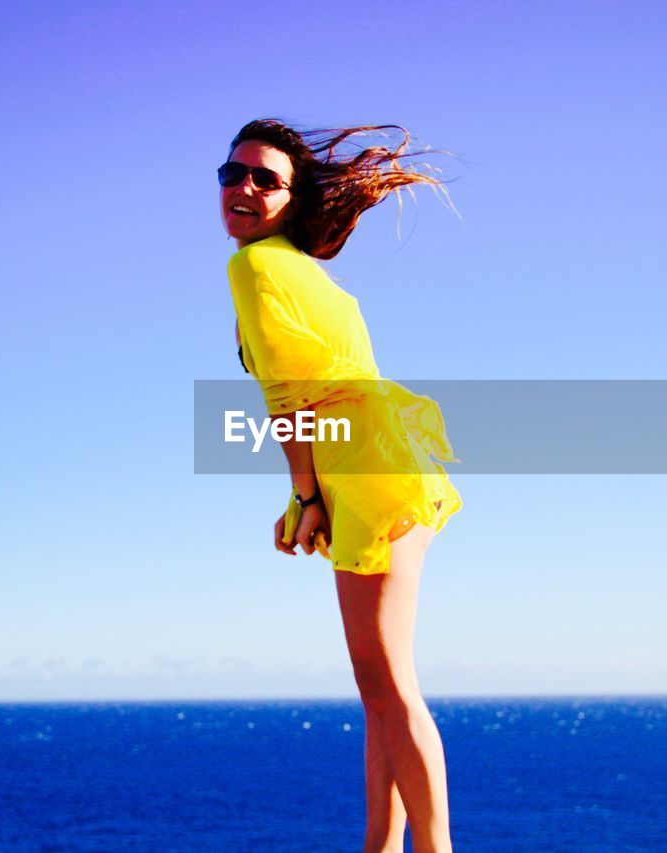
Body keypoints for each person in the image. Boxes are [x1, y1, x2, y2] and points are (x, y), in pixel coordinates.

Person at [220, 118, 463, 853]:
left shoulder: (256, 267)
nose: (245, 188)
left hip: (363, 465)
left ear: (292, 199)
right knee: (382, 687)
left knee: (388, 682)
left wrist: (304, 496)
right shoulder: (304, 270)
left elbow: (289, 396)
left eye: (266, 179)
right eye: (232, 174)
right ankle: (382, 845)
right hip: (390, 453)